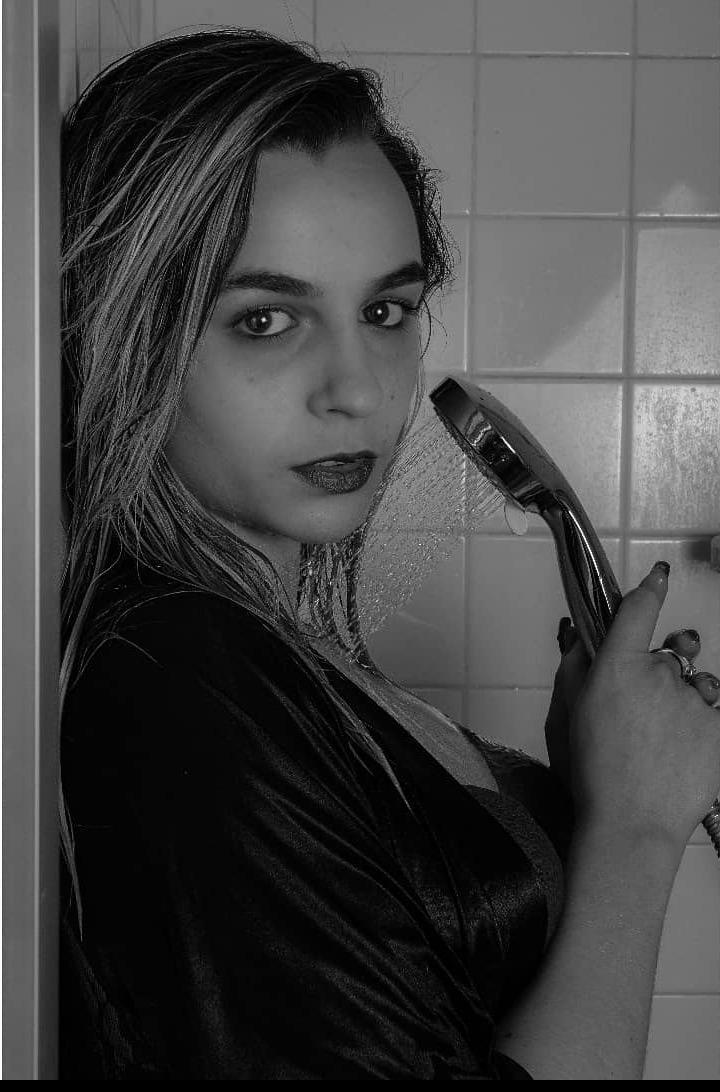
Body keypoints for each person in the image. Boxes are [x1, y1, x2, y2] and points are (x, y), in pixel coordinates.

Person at [58, 29, 720, 1080]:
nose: (360, 389)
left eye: (386, 310)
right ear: (127, 332)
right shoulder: (175, 676)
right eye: (264, 320)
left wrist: (597, 779)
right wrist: (635, 836)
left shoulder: (274, 648)